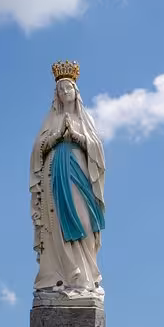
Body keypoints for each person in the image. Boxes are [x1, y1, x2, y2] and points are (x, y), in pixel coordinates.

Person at [29, 62, 106, 296]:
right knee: (59, 226)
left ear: (76, 92)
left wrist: (77, 137)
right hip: (55, 175)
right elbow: (36, 151)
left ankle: (86, 276)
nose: (64, 93)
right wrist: (53, 140)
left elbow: (98, 151)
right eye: (60, 90)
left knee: (83, 221)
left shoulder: (85, 119)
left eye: (68, 88)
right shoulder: (50, 119)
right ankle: (64, 276)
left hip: (79, 172)